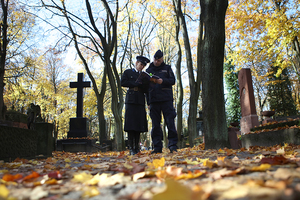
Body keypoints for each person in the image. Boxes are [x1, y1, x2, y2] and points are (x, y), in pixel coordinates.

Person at [146, 50, 178, 154]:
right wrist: (148, 103)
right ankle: (157, 147)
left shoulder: (167, 68)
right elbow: (146, 88)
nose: (156, 61)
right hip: (154, 101)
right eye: (155, 59)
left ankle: (173, 146)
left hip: (166, 100)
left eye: (159, 60)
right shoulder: (149, 70)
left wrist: (163, 81)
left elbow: (173, 80)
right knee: (155, 125)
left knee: (170, 123)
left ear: (162, 59)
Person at [121, 55, 150, 155]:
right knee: (130, 125)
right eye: (141, 64)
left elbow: (147, 90)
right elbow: (123, 82)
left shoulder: (144, 75)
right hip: (131, 99)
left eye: (143, 66)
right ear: (136, 63)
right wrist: (135, 83)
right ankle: (131, 147)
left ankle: (137, 147)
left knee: (138, 125)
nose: (142, 67)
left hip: (140, 100)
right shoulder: (128, 72)